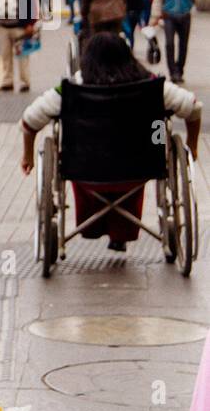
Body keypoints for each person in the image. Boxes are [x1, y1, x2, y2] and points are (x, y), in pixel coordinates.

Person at [19, 32, 201, 251]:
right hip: (142, 165)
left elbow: (30, 121)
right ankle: (121, 230)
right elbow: (193, 107)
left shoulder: (72, 88)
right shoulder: (152, 85)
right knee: (159, 129)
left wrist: (28, 154)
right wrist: (192, 144)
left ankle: (96, 226)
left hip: (84, 168)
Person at [149, 0, 195, 84]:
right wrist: (155, 17)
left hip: (185, 15)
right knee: (169, 44)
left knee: (183, 45)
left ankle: (179, 70)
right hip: (169, 16)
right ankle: (173, 72)